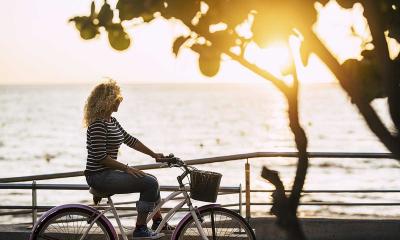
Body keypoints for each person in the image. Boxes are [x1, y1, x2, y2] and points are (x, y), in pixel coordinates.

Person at [83, 79, 172, 239]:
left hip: (108, 173)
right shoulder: (97, 124)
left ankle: (158, 221)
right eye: (117, 99)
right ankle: (140, 228)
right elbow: (101, 157)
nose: (120, 102)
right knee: (149, 183)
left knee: (152, 179)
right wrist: (127, 168)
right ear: (107, 101)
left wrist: (154, 155)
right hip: (99, 176)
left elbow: (130, 140)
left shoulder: (112, 121)